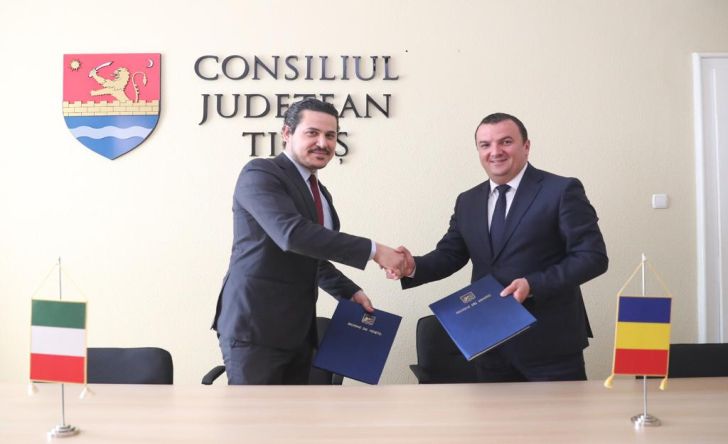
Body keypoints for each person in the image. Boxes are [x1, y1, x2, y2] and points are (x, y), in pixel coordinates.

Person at [393, 113, 608, 382]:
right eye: (485, 145)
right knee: (492, 412)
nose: (495, 152)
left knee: (559, 413)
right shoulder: (468, 200)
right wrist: (412, 266)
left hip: (550, 345)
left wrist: (533, 284)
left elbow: (592, 257)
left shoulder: (561, 190)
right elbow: (450, 254)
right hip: (489, 344)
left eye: (506, 142)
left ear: (526, 146)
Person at [212, 98, 405, 385]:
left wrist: (348, 291)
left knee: (297, 414)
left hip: (300, 333)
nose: (323, 143)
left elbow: (311, 255)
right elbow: (291, 235)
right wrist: (374, 251)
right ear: (287, 133)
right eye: (312, 133)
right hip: (255, 328)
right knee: (255, 414)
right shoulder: (260, 174)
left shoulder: (320, 193)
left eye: (330, 135)